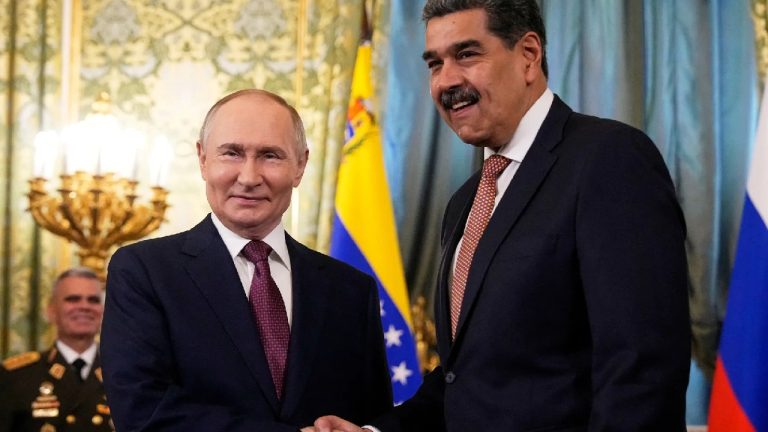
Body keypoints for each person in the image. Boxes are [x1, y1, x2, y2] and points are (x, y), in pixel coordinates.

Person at [316, 1, 690, 431]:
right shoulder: (466, 202)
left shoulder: (608, 159)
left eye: (467, 54)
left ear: (528, 55)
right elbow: (467, 378)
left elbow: (641, 369)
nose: (447, 81)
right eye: (435, 64)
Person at [101, 89, 392, 431]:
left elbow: (371, 417)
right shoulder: (144, 272)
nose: (250, 177)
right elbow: (142, 412)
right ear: (202, 159)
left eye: (270, 155)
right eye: (232, 153)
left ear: (300, 166)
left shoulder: (351, 290)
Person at [0, 267, 114, 432]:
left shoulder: (124, 374)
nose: (84, 306)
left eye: (93, 300)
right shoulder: (15, 376)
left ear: (103, 311)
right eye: (73, 299)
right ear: (51, 311)